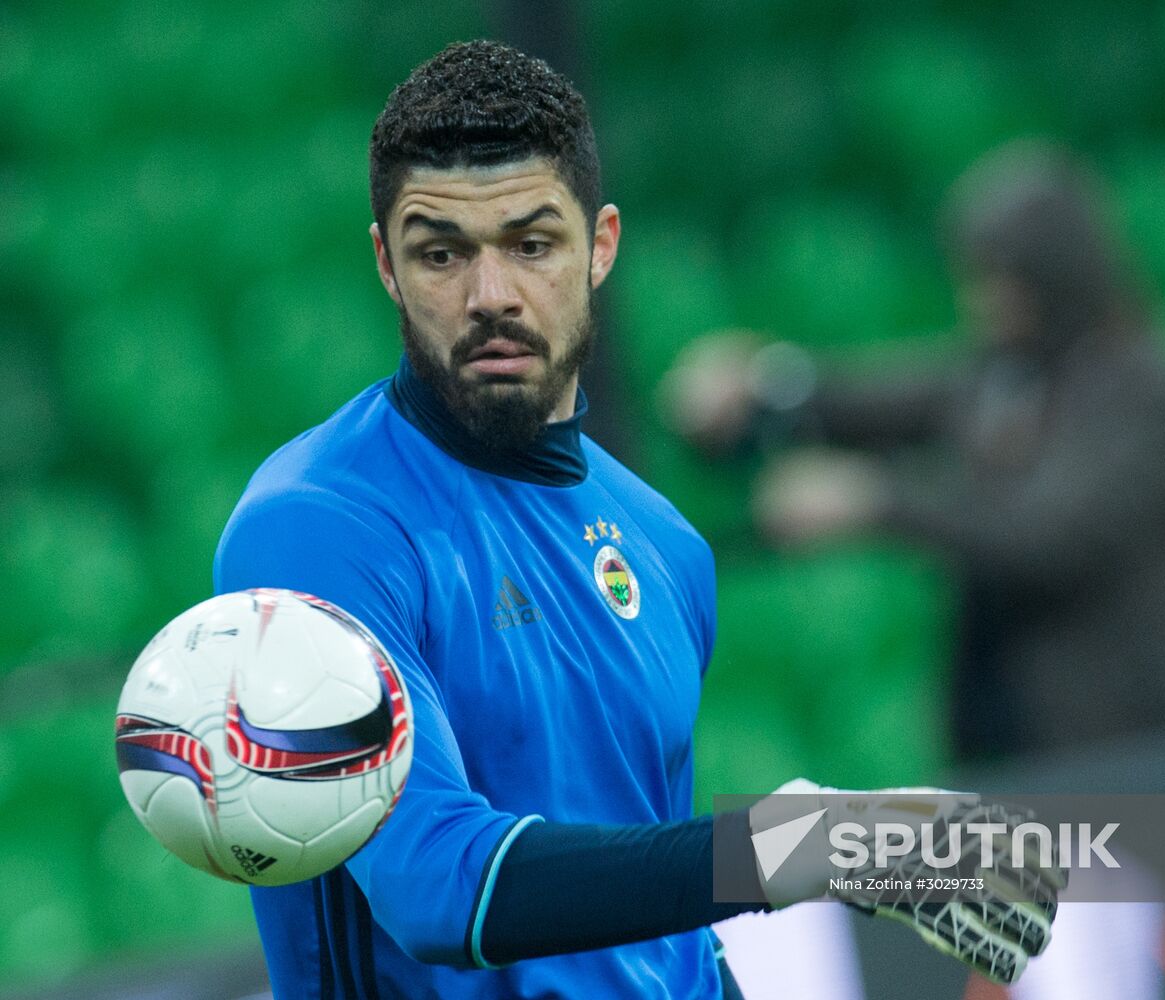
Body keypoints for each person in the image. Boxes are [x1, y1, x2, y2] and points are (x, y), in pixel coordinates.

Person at [214, 42, 1058, 999]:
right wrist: (800, 845)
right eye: (441, 252)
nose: (490, 295)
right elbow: (437, 893)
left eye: (532, 244)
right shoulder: (317, 529)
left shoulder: (660, 544)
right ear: (386, 264)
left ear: (601, 245)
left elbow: (656, 951)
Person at [666, 142, 1165, 760]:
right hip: (1029, 745)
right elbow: (874, 402)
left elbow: (1040, 535)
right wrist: (763, 384)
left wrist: (876, 501)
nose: (979, 301)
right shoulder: (1011, 374)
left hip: (1149, 748)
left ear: (1054, 279)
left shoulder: (1145, 391)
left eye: (999, 282)